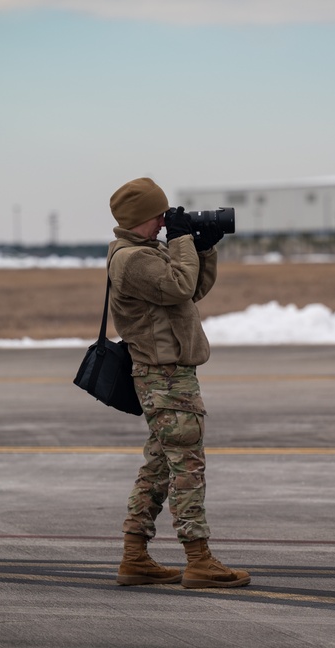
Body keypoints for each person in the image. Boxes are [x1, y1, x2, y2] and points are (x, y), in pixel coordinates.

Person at [107, 177, 250, 589]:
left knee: (159, 469)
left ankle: (134, 557)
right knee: (188, 467)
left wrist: (202, 247)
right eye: (159, 216)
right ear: (139, 218)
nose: (163, 223)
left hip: (167, 378)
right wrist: (183, 241)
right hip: (165, 379)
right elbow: (180, 284)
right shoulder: (133, 259)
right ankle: (199, 560)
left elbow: (190, 292)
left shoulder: (145, 254)